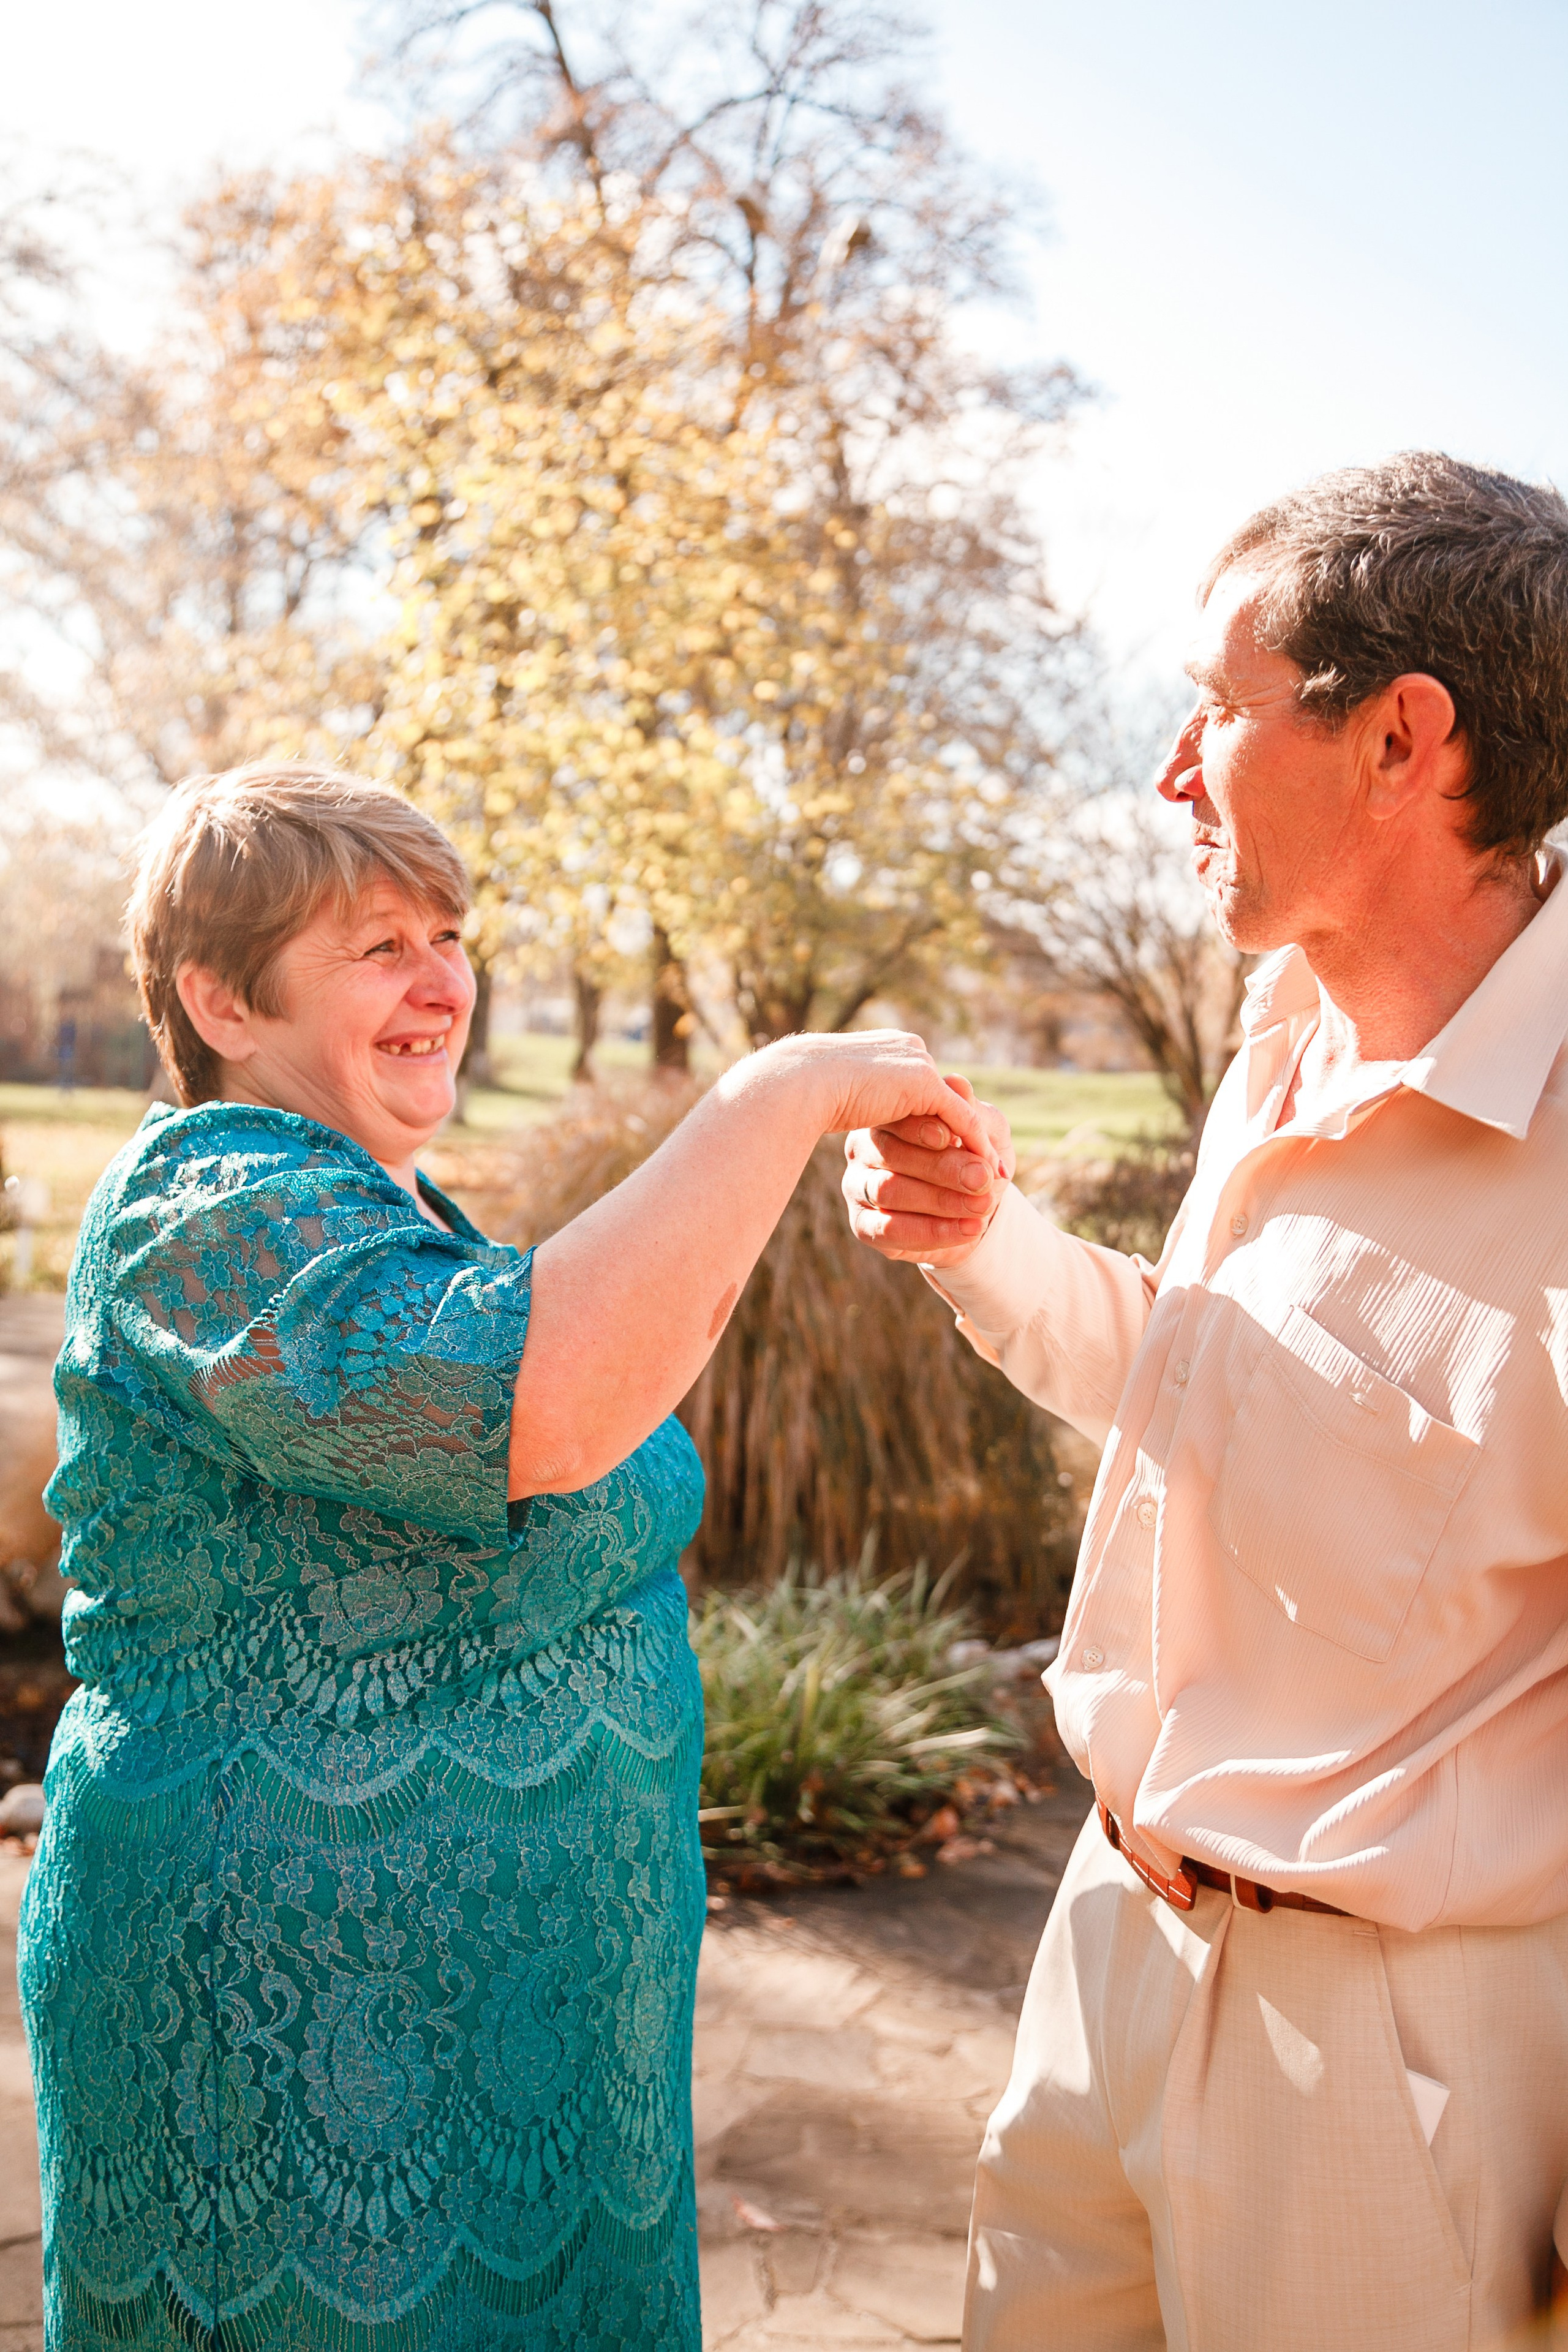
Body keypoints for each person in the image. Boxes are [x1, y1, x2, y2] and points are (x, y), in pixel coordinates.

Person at [18, 763, 998, 2352]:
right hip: (294, 2061)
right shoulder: (205, 1202)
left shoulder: (396, 1209)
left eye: (449, 935)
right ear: (218, 997)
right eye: (375, 946)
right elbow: (532, 1409)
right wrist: (783, 1093)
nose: (439, 980)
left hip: (528, 2049)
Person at [843, 453, 1568, 2351]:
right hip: (1107, 1942)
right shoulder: (1287, 1032)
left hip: (1393, 2066)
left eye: (1221, 711)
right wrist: (984, 1240)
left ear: (1405, 740)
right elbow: (1207, 1394)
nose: (1174, 771)